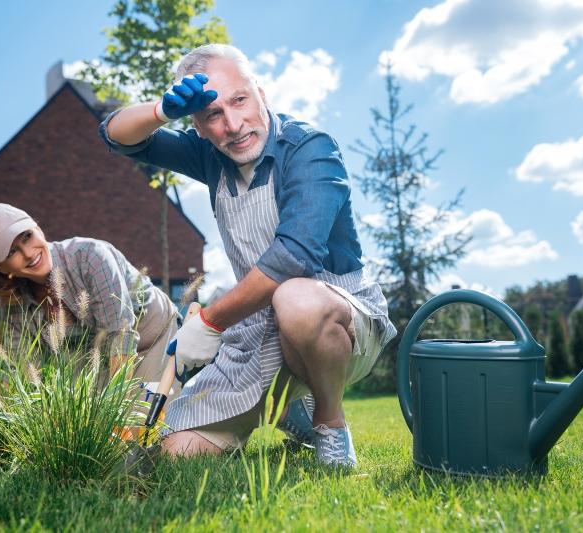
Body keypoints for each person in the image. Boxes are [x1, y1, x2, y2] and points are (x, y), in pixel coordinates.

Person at [99, 44, 396, 467]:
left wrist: (208, 321)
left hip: (341, 320)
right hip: (254, 330)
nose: (234, 125)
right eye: (213, 115)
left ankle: (329, 423)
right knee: (177, 452)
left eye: (240, 100)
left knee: (296, 298)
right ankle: (289, 406)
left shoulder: (310, 149)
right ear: (198, 128)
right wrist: (162, 113)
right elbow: (115, 135)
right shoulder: (209, 154)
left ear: (261, 92)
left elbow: (294, 258)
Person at [0, 203, 180, 399]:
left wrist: (115, 412)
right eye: (12, 251)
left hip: (155, 338)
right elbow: (24, 372)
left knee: (139, 425)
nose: (27, 253)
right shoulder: (13, 301)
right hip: (99, 354)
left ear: (38, 228)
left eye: (27, 236)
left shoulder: (90, 257)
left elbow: (119, 338)